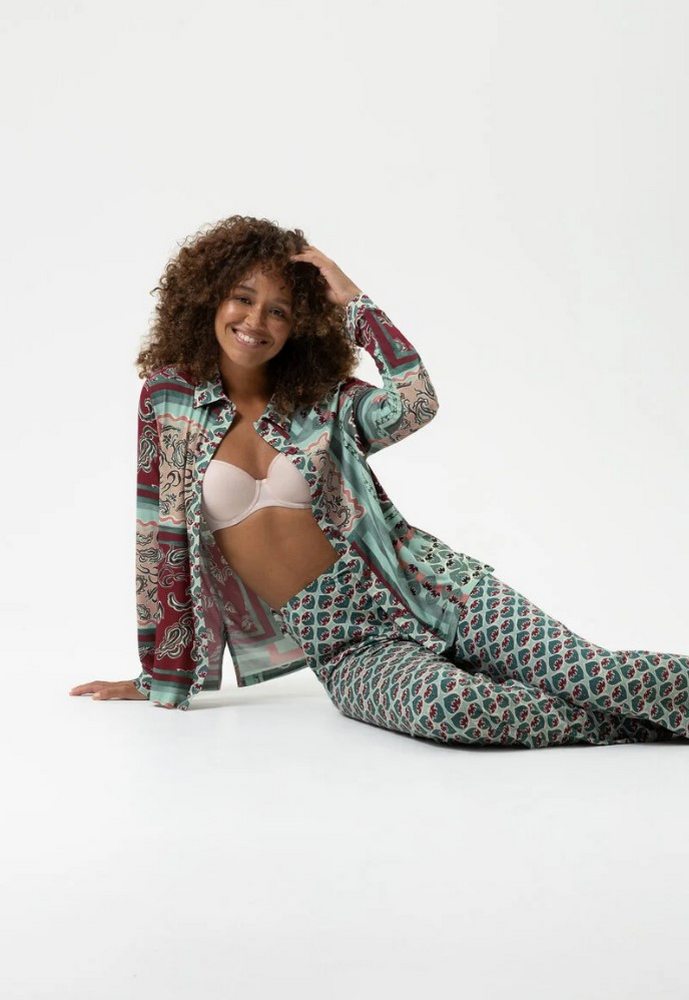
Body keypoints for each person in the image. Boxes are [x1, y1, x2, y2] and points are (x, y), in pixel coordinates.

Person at [70, 215, 689, 749]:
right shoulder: (169, 400)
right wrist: (161, 672)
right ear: (208, 297)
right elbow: (159, 541)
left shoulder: (327, 399)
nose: (256, 320)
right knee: (454, 709)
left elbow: (416, 402)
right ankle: (652, 724)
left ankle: (648, 707)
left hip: (437, 590)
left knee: (589, 672)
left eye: (279, 310)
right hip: (347, 646)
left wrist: (355, 303)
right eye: (242, 298)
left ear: (299, 324)